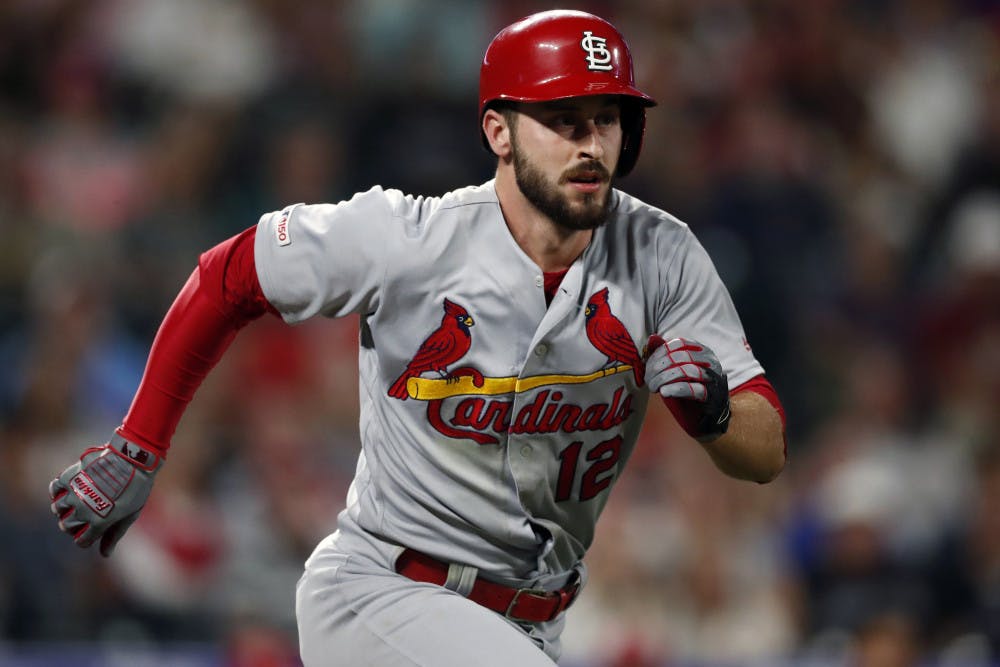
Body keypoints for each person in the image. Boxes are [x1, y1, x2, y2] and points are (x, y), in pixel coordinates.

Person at [48, 10, 787, 666]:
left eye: (606, 118)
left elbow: (766, 450)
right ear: (498, 129)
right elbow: (228, 275)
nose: (589, 142)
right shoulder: (411, 239)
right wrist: (139, 443)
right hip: (383, 592)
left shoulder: (662, 254)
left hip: (536, 620)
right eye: (562, 119)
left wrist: (717, 417)